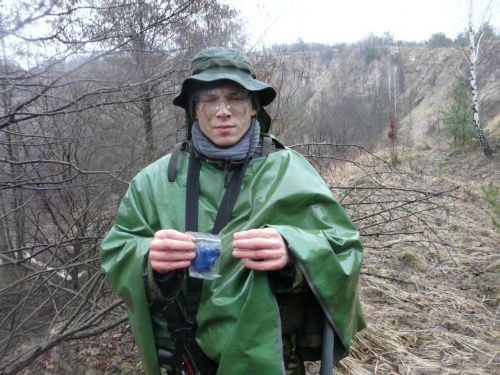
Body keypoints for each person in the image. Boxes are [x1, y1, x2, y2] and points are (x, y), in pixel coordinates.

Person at [100, 47, 365, 375]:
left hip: (272, 357)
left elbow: (343, 248)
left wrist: (292, 252)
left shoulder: (291, 171)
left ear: (254, 106)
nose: (222, 111)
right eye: (208, 99)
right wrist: (149, 260)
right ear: (194, 110)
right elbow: (117, 249)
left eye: (236, 97)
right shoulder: (152, 182)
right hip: (182, 358)